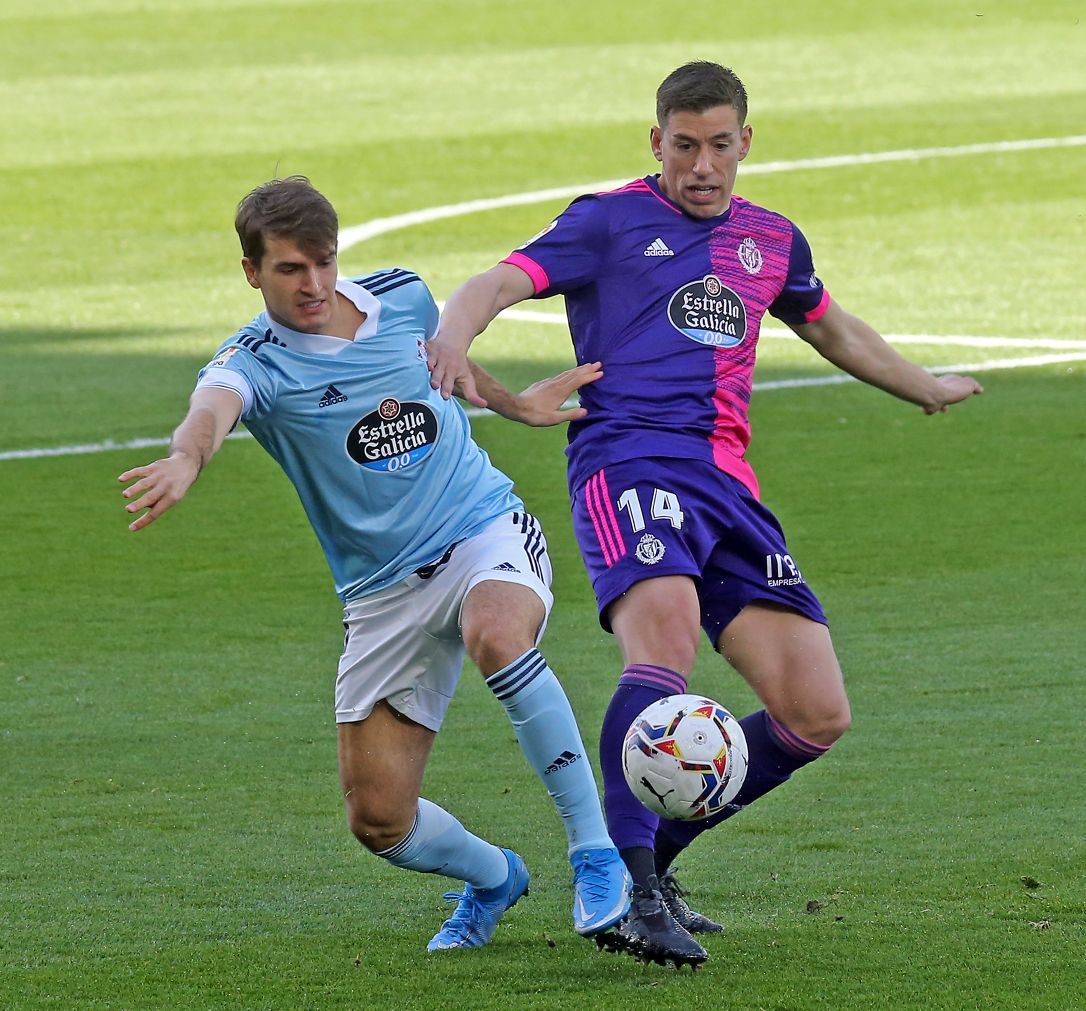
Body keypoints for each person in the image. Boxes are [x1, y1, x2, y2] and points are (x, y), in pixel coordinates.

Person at [426, 61, 983, 967]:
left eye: (719, 145)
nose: (702, 166)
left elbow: (829, 324)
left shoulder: (772, 239)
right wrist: (454, 338)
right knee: (666, 649)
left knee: (815, 710)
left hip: (729, 486)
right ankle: (626, 890)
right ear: (658, 143)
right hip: (628, 460)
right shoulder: (606, 220)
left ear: (744, 143)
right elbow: (493, 283)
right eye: (684, 146)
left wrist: (922, 386)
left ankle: (659, 859)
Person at [117, 176, 633, 953]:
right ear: (252, 271)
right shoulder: (252, 362)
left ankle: (597, 853)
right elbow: (207, 415)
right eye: (290, 268)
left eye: (323, 262)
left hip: (480, 529)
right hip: (381, 593)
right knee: (380, 819)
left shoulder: (404, 298)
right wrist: (187, 460)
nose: (314, 284)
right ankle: (495, 876)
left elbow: (445, 365)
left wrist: (513, 403)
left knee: (498, 630)